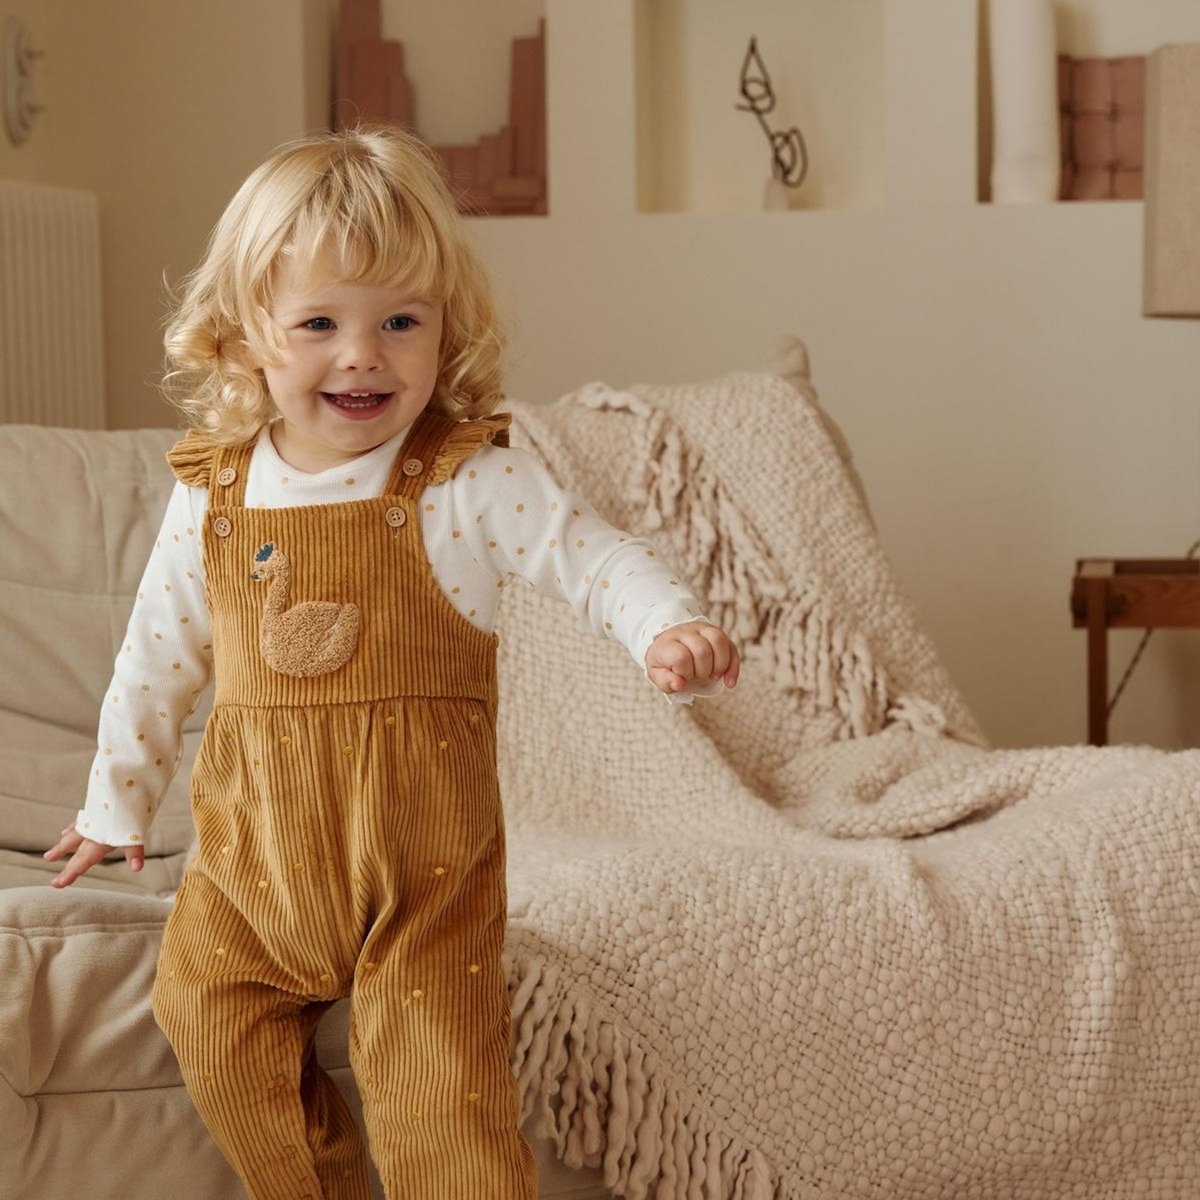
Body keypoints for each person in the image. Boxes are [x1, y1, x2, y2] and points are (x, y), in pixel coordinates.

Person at [41, 124, 740, 1200]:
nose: (363, 354)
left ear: (443, 332)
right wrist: (115, 806)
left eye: (399, 322)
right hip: (251, 871)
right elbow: (156, 655)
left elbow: (591, 557)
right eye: (320, 322)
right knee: (207, 1017)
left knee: (443, 1106)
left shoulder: (462, 484)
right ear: (245, 340)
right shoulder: (214, 497)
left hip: (424, 886)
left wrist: (663, 625)